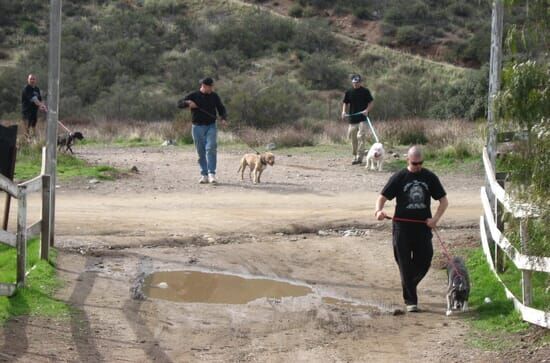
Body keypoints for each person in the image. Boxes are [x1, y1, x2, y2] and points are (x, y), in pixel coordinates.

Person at [374, 146, 448, 312]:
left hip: (423, 227)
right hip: (402, 228)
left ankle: (408, 283)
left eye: (420, 163)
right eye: (415, 163)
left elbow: (444, 201)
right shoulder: (399, 177)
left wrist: (435, 219)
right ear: (408, 160)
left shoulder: (429, 177)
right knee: (404, 263)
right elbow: (382, 197)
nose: (418, 166)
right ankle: (411, 302)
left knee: (425, 259)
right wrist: (378, 211)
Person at [178, 77, 227, 184]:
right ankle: (204, 175)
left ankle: (211, 174)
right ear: (204, 86)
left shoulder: (214, 96)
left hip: (211, 126)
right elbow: (179, 104)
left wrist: (223, 118)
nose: (212, 88)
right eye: (210, 87)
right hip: (197, 127)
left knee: (211, 147)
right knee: (200, 151)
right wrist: (187, 103)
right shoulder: (194, 95)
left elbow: (221, 108)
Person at [341, 74, 374, 165]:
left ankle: (360, 158)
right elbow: (345, 103)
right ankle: (355, 155)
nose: (356, 84)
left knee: (361, 136)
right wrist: (343, 112)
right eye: (355, 82)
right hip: (352, 118)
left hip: (362, 118)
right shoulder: (349, 92)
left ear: (360, 82)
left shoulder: (365, 91)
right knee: (353, 138)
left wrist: (367, 110)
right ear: (352, 82)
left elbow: (371, 102)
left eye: (358, 82)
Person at [21, 74, 47, 140]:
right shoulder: (27, 88)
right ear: (28, 80)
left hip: (34, 112)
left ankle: (34, 142)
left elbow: (40, 99)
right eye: (31, 79)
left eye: (33, 79)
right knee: (27, 129)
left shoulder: (37, 89)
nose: (32, 80)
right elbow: (34, 99)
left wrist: (42, 106)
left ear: (35, 80)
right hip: (27, 112)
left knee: (34, 127)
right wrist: (41, 105)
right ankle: (27, 143)